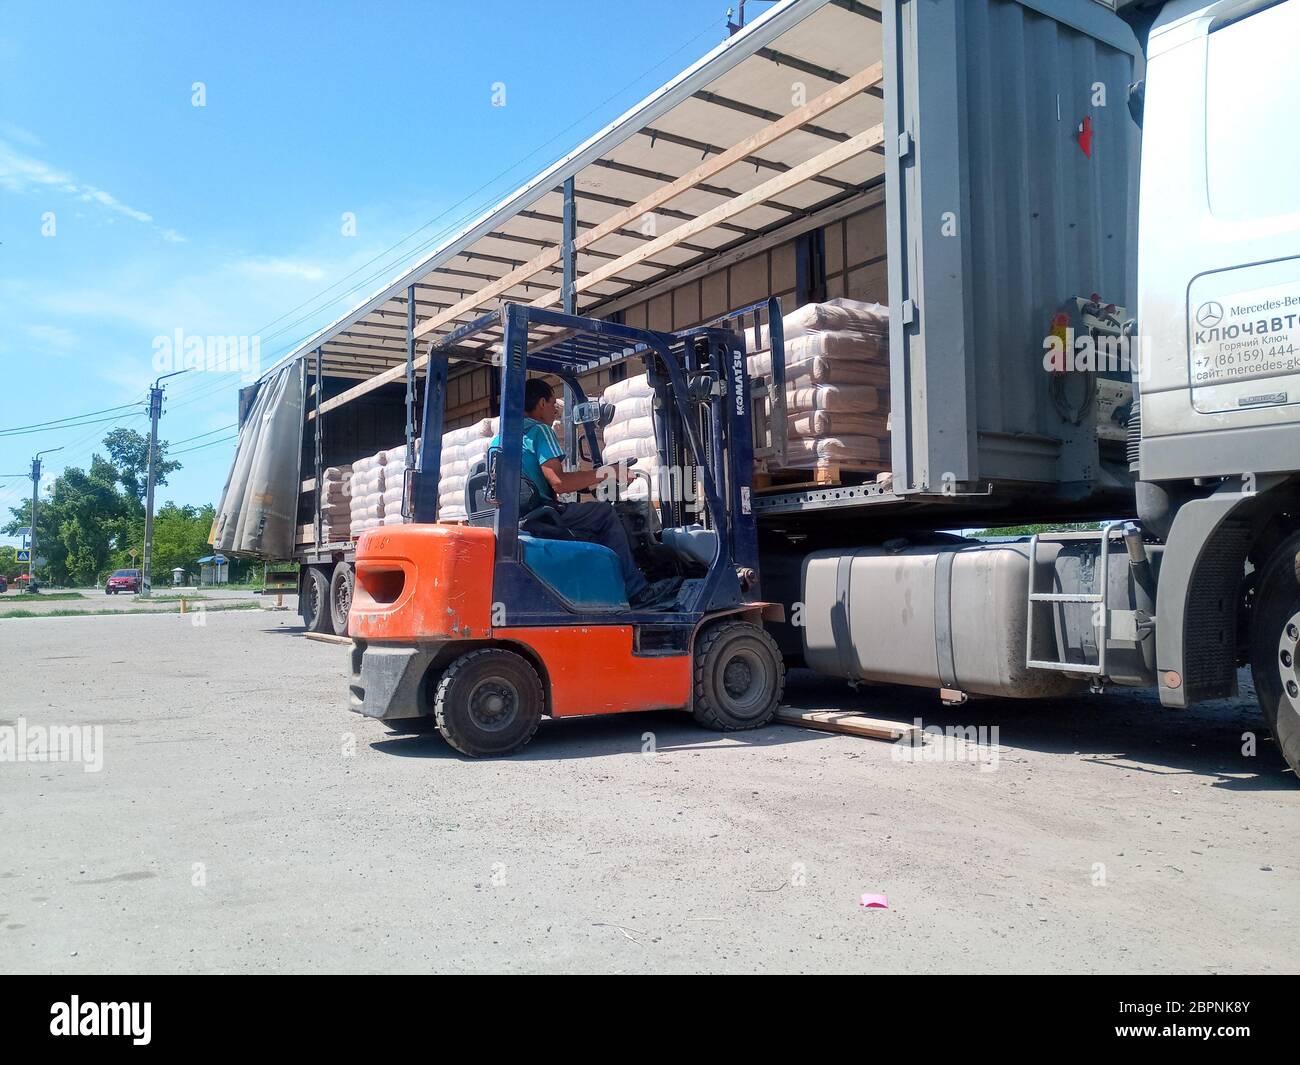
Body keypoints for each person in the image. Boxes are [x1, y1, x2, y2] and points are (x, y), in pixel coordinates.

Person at [490, 378, 675, 609]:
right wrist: (609, 471)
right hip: (540, 513)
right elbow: (558, 482)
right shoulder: (540, 430)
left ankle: (607, 584)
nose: (555, 413)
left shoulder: (499, 439)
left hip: (516, 514)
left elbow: (536, 480)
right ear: (541, 404)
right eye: (552, 405)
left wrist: (591, 480)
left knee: (590, 517)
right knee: (605, 514)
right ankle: (637, 590)